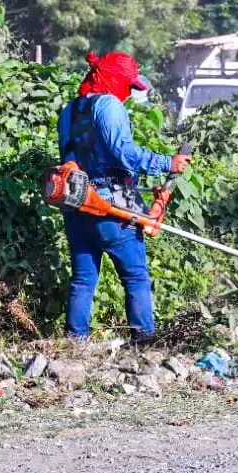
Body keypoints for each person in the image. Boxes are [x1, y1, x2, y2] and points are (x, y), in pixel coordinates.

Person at [57, 51, 190, 343]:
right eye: (128, 87)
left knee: (83, 279)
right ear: (114, 80)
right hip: (110, 210)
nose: (129, 94)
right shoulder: (109, 105)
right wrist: (167, 163)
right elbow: (124, 153)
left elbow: (78, 159)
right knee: (135, 277)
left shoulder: (69, 111)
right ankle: (144, 342)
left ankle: (74, 343)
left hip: (76, 204)